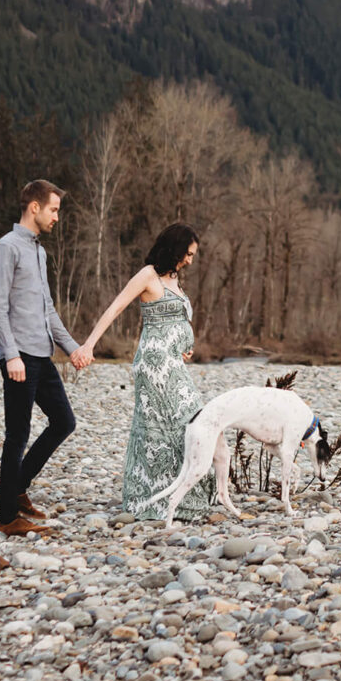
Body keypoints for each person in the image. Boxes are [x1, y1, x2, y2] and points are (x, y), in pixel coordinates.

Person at [78, 223, 215, 523]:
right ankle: (149, 497)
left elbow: (174, 321)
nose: (190, 260)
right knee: (159, 427)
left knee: (188, 421)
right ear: (175, 248)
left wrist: (184, 345)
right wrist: (89, 345)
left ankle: (179, 495)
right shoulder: (148, 275)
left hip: (173, 363)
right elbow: (115, 309)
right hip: (153, 365)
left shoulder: (175, 279)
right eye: (188, 254)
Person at [0, 179, 92, 537]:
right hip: (19, 359)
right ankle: (8, 519)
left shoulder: (38, 251)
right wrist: (10, 355)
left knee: (63, 421)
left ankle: (15, 489)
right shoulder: (7, 248)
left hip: (42, 355)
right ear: (34, 207)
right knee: (17, 434)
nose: (56, 217)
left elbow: (47, 310)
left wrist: (72, 347)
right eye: (53, 209)